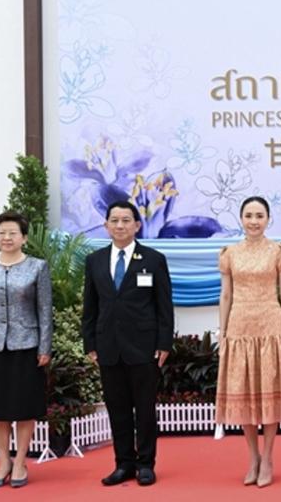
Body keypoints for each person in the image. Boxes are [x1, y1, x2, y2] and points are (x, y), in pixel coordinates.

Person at [82, 200, 174, 487]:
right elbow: (90, 306)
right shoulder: (94, 260)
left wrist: (164, 343)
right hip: (108, 346)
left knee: (144, 409)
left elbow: (164, 306)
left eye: (126, 220)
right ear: (106, 225)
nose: (120, 225)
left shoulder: (153, 259)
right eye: (115, 220)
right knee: (117, 409)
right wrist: (90, 343)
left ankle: (146, 464)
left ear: (137, 225)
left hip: (144, 347)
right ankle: (124, 464)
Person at [0, 211, 53, 488]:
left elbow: (44, 311)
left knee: (24, 406)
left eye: (13, 232)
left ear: (24, 237)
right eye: (1, 232)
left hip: (26, 345)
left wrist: (45, 346)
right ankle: (3, 460)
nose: (6, 237)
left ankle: (20, 461)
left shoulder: (37, 268)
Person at [216, 196, 281, 487]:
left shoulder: (279, 251)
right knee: (244, 394)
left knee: (268, 393)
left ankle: (269, 456)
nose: (254, 221)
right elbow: (225, 295)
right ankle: (253, 457)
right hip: (239, 329)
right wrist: (222, 333)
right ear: (241, 219)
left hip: (271, 326)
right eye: (249, 215)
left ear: (268, 219)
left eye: (259, 215)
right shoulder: (229, 253)